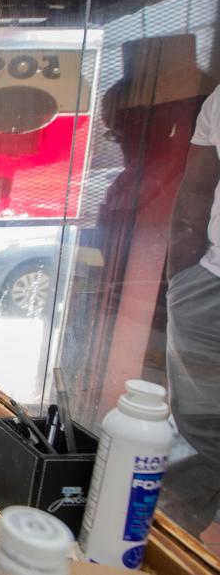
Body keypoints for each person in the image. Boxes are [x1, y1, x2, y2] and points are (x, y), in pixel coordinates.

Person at [163, 83, 220, 539]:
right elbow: (198, 189)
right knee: (200, 433)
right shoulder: (219, 99)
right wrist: (182, 280)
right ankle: (179, 544)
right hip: (210, 286)